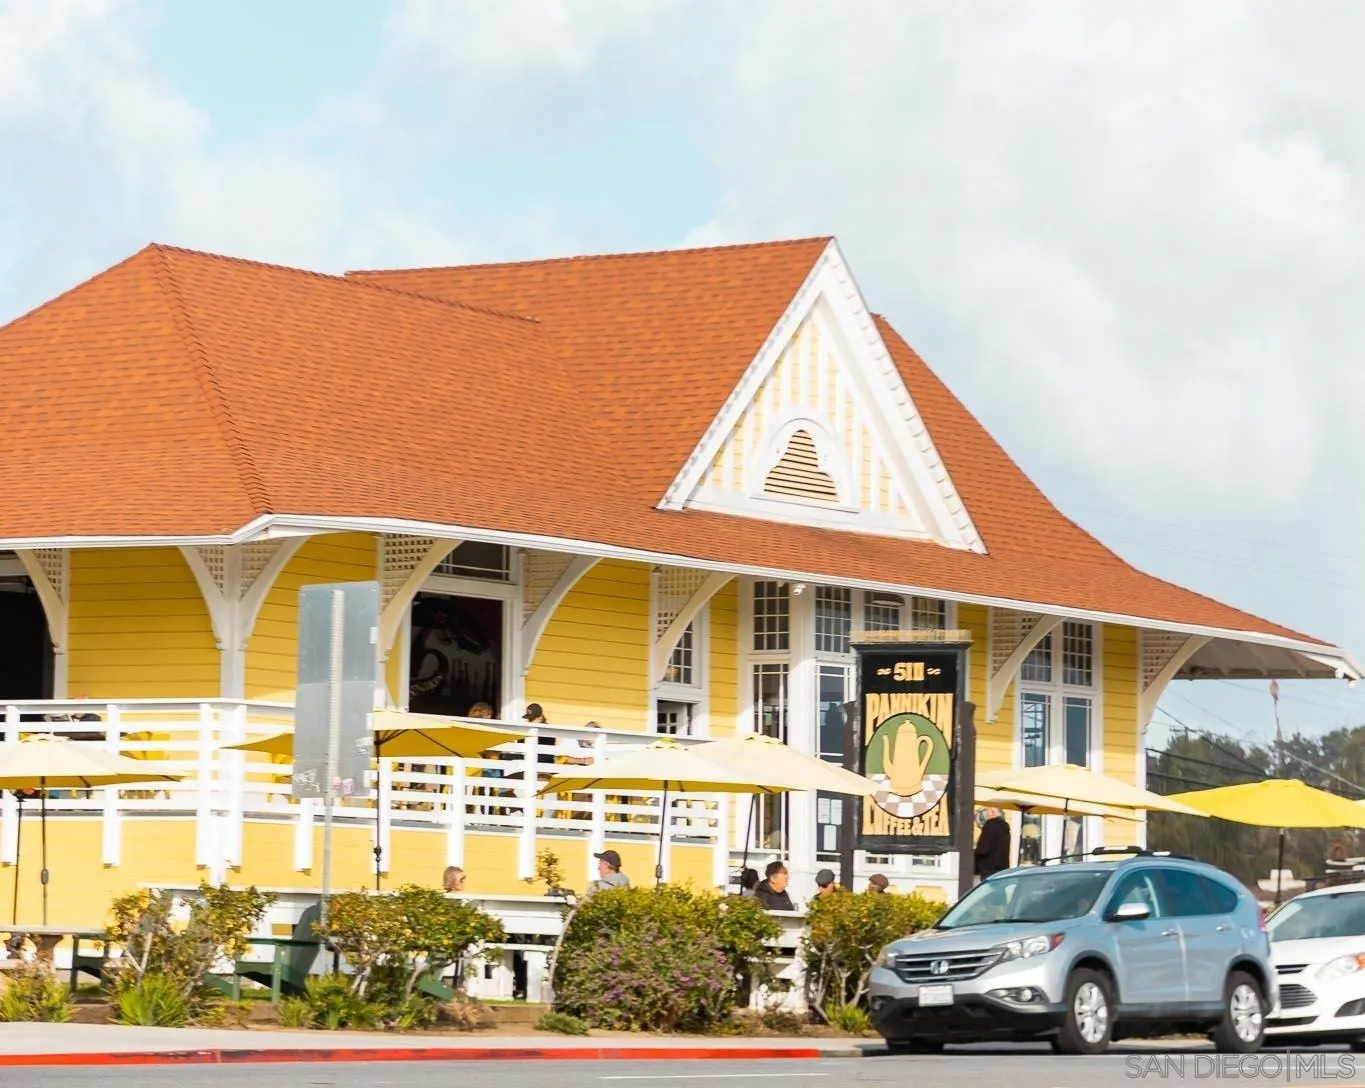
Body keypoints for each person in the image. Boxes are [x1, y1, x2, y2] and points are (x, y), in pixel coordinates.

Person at [975, 806, 1012, 881]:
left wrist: (974, 854)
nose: (986, 814)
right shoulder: (1004, 827)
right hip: (1002, 868)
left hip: (988, 868)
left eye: (987, 811)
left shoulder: (990, 825)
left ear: (992, 812)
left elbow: (983, 849)